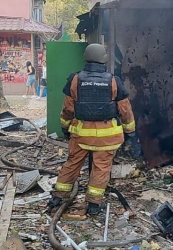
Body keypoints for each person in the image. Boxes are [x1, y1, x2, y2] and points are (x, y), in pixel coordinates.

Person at [48, 43, 136, 216]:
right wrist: (129, 130)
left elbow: (68, 109)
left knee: (72, 164)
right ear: (104, 59)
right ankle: (94, 205)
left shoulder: (75, 79)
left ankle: (57, 198)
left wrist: (65, 127)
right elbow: (125, 110)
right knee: (101, 168)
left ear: (86, 58)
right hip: (107, 137)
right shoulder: (114, 81)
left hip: (81, 135)